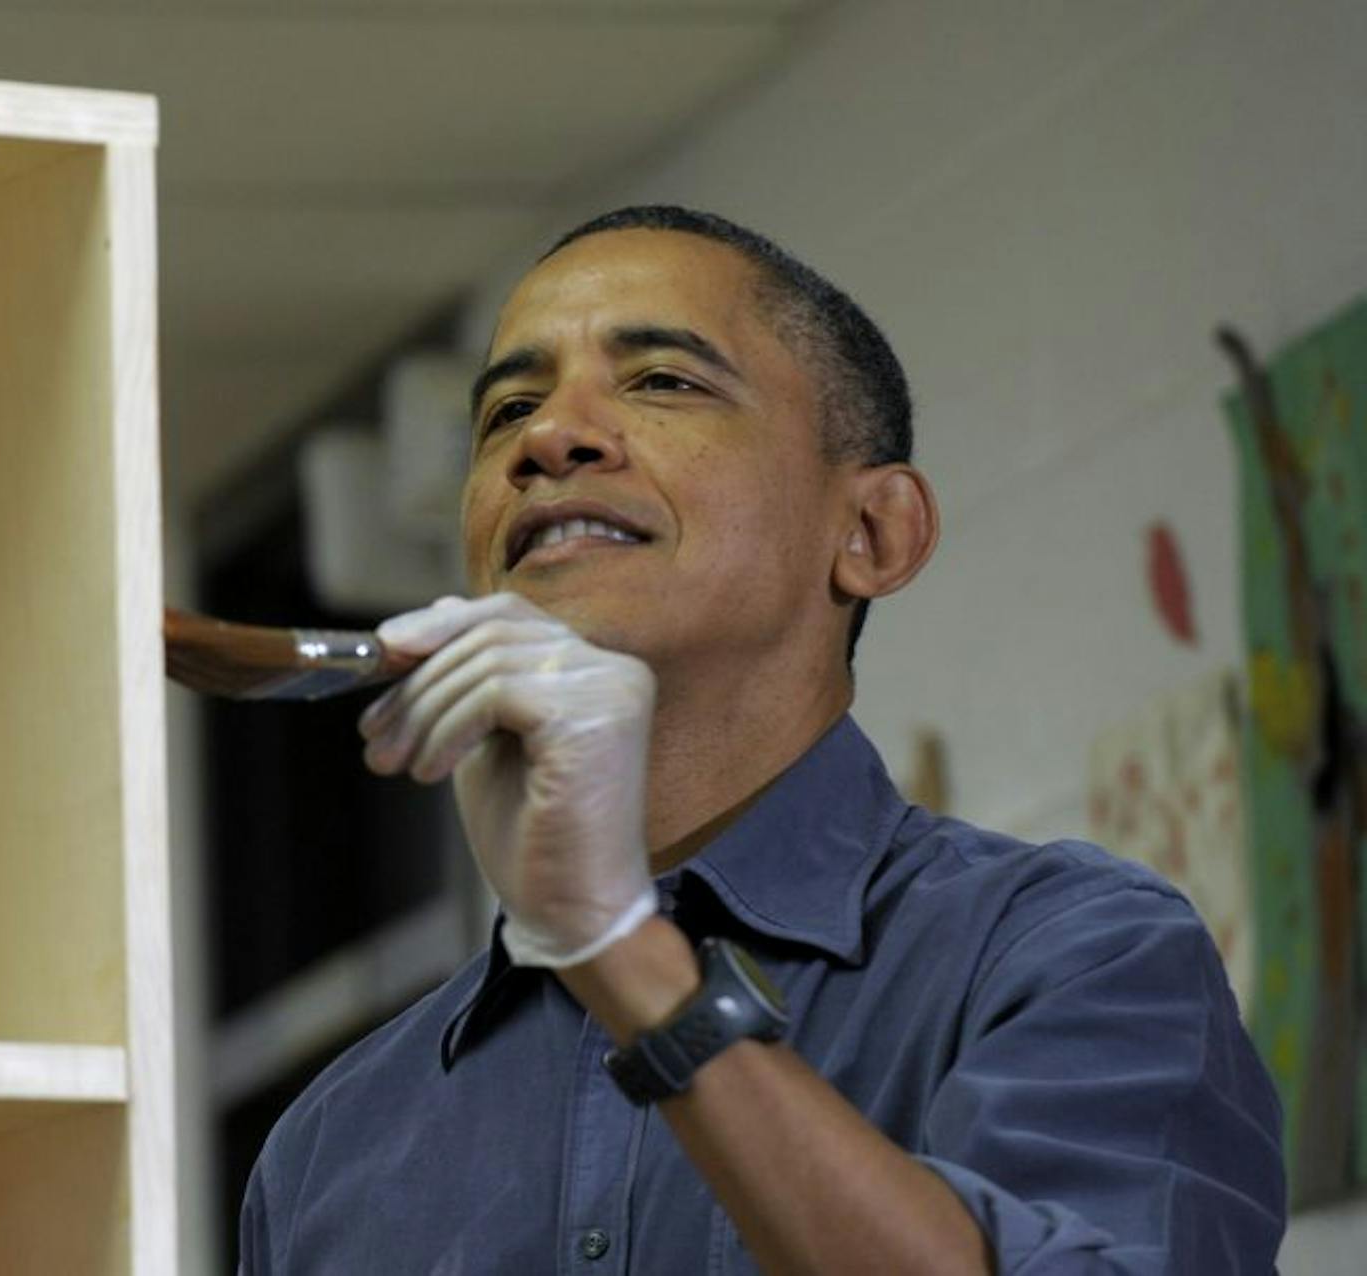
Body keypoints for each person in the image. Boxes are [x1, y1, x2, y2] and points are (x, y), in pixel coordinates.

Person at [235, 206, 1286, 1274]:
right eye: (509, 407)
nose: (550, 438)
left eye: (662, 382)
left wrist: (617, 951)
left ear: (873, 533)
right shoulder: (330, 1150)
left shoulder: (1069, 956)